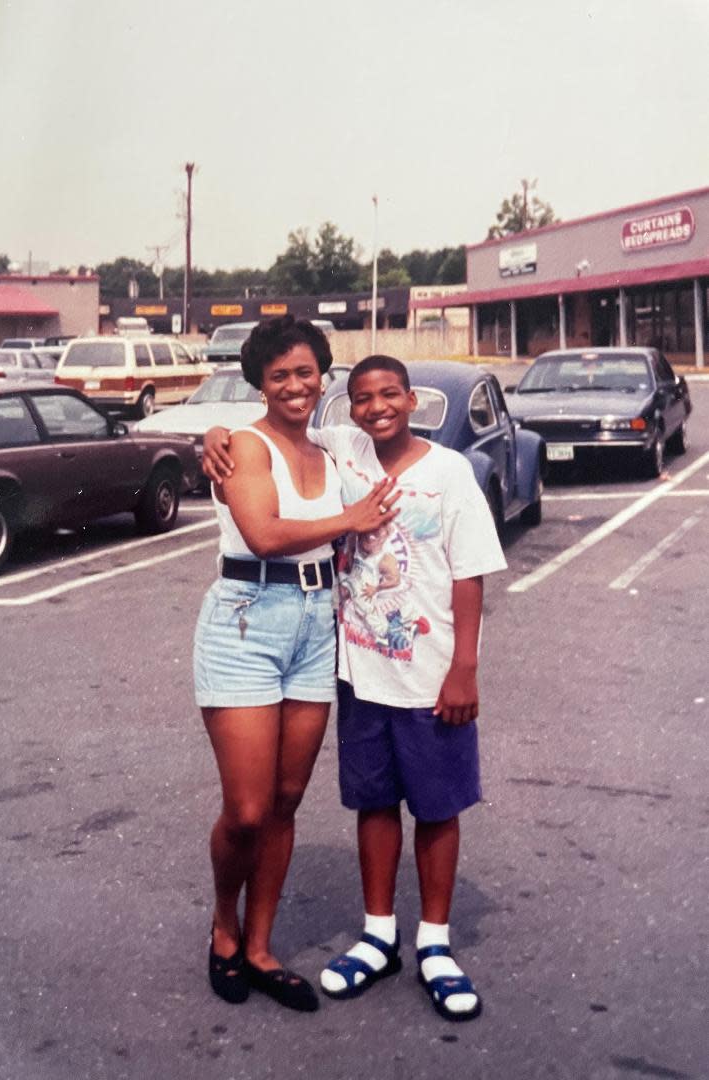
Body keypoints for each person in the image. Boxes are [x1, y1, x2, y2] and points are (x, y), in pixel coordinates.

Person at [203, 354, 506, 1021]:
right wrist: (216, 436)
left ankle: (434, 943)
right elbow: (263, 432)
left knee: (436, 807)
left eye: (390, 395)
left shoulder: (450, 472)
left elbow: (471, 574)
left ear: (412, 399)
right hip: (361, 673)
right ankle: (378, 935)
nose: (375, 408)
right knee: (374, 804)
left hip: (430, 676)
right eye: (362, 398)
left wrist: (464, 668)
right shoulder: (345, 452)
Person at [195, 319, 399, 1013]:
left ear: (323, 376)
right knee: (247, 809)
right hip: (248, 620)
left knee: (285, 800)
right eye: (279, 375)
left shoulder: (337, 443)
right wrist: (351, 519)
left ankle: (259, 946)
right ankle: (223, 926)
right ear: (258, 381)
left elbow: (396, 432)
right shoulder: (244, 448)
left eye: (306, 372)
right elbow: (265, 533)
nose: (294, 386)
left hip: (318, 625)